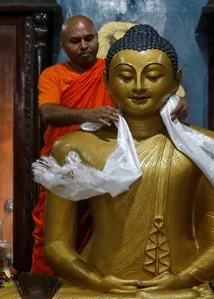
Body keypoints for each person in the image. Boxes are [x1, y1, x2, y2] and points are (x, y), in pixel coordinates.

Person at [0, 24, 214, 299]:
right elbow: (57, 246)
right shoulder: (75, 148)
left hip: (181, 293)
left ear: (176, 81)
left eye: (153, 75)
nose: (139, 86)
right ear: (107, 81)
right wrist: (100, 282)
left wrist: (180, 280)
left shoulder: (208, 147)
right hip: (101, 294)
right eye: (125, 76)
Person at [31, 15, 189, 274]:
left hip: (108, 165)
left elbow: (153, 98)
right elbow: (47, 111)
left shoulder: (111, 70)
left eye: (89, 38)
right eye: (75, 41)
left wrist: (177, 105)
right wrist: (88, 114)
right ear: (63, 46)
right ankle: (53, 287)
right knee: (54, 234)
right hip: (67, 164)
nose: (84, 45)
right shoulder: (54, 75)